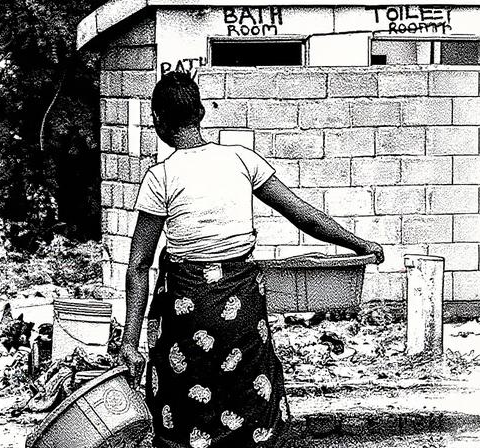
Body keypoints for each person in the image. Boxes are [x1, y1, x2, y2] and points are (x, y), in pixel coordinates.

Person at [119, 71, 384, 448]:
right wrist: (359, 243)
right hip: (240, 308)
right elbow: (304, 216)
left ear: (158, 121)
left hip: (187, 312)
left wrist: (130, 342)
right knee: (249, 398)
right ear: (201, 113)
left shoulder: (160, 177)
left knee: (183, 408)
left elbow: (139, 264)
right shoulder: (242, 160)